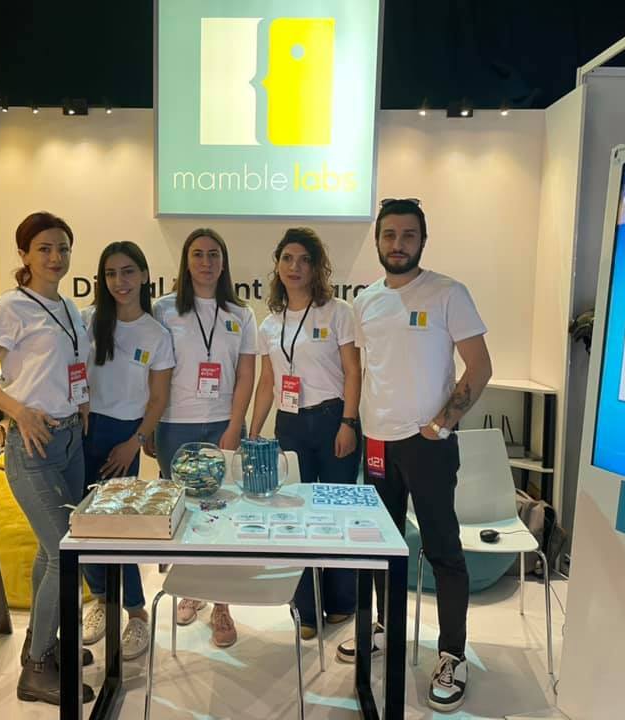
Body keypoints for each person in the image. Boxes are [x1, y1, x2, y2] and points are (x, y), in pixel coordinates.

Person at [339, 199, 492, 713]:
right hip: (377, 444)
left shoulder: (449, 292)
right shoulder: (366, 301)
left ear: (422, 240)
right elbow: (370, 370)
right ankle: (385, 628)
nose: (398, 244)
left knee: (443, 549)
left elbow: (480, 367)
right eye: (389, 235)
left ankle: (452, 655)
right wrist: (361, 424)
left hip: (428, 445)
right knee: (382, 548)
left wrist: (441, 424)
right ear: (378, 241)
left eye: (408, 235)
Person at [0, 211, 95, 706]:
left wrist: (81, 403)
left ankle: (43, 645)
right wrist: (17, 411)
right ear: (24, 254)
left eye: (62, 248)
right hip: (33, 444)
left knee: (48, 550)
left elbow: (68, 365)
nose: (55, 257)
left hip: (70, 440)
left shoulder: (69, 308)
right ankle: (37, 670)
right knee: (65, 551)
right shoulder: (10, 307)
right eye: (44, 248)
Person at [249, 227, 361, 639]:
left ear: (317, 268)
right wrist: (253, 431)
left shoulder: (338, 311)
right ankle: (306, 608)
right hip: (290, 425)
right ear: (277, 266)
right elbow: (267, 382)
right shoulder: (269, 323)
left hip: (333, 421)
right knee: (295, 515)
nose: (294, 267)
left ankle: (342, 600)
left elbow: (353, 371)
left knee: (335, 512)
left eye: (304, 260)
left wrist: (349, 422)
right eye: (287, 259)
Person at [152, 228, 257, 648]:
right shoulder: (163, 309)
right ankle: (189, 588)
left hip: (221, 424)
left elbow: (246, 374)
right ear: (186, 261)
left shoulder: (240, 313)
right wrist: (150, 424)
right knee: (182, 516)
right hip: (174, 425)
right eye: (198, 254)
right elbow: (153, 373)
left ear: (224, 261)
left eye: (214, 254)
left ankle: (222, 605)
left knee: (222, 517)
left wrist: (235, 424)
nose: (206, 262)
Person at [79, 242, 174, 661]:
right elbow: (72, 373)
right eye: (111, 273)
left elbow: (158, 398)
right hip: (82, 429)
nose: (120, 281)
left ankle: (136, 612)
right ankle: (101, 598)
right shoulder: (88, 321)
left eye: (128, 271)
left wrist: (135, 441)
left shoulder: (156, 334)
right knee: (80, 523)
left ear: (144, 276)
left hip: (124, 436)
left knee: (118, 527)